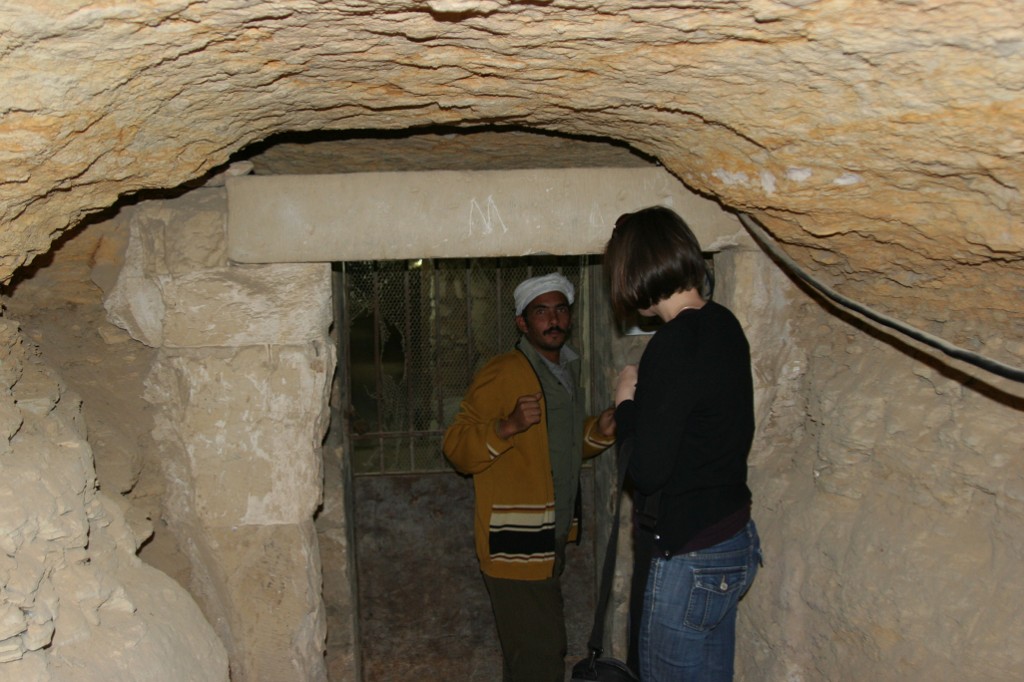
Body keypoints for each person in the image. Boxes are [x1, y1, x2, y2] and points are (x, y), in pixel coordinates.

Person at [604, 206, 761, 682]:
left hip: (690, 555)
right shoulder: (724, 325)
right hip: (732, 539)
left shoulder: (671, 345)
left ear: (634, 273)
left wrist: (627, 403)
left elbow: (648, 471)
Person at [443, 272, 616, 682]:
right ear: (523, 323)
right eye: (541, 312)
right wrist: (506, 427)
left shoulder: (564, 371)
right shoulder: (503, 372)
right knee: (540, 654)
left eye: (560, 310)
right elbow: (456, 446)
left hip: (548, 539)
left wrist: (599, 432)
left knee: (531, 654)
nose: (553, 320)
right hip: (513, 545)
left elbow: (559, 449)